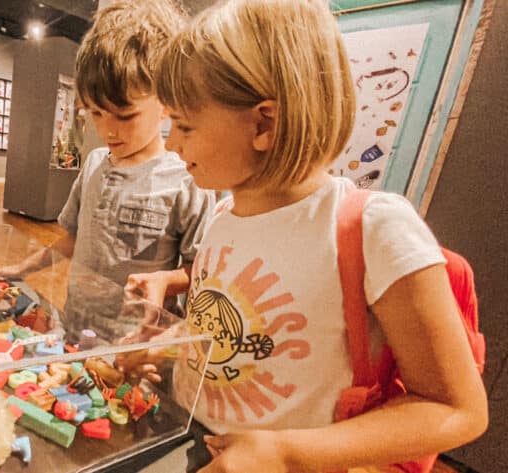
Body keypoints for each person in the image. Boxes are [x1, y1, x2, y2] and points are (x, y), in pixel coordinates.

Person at [126, 1, 488, 471]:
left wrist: (285, 452)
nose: (171, 143)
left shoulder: (376, 227)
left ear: (263, 124)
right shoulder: (221, 216)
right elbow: (229, 330)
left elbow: (456, 408)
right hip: (192, 441)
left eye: (185, 125)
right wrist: (166, 344)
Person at [0, 0, 214, 342]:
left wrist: (164, 283)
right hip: (77, 325)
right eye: (95, 113)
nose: (108, 130)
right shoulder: (95, 163)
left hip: (134, 344)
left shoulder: (189, 180)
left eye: (125, 116)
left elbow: (198, 269)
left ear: (166, 104)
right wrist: (24, 268)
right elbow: (72, 239)